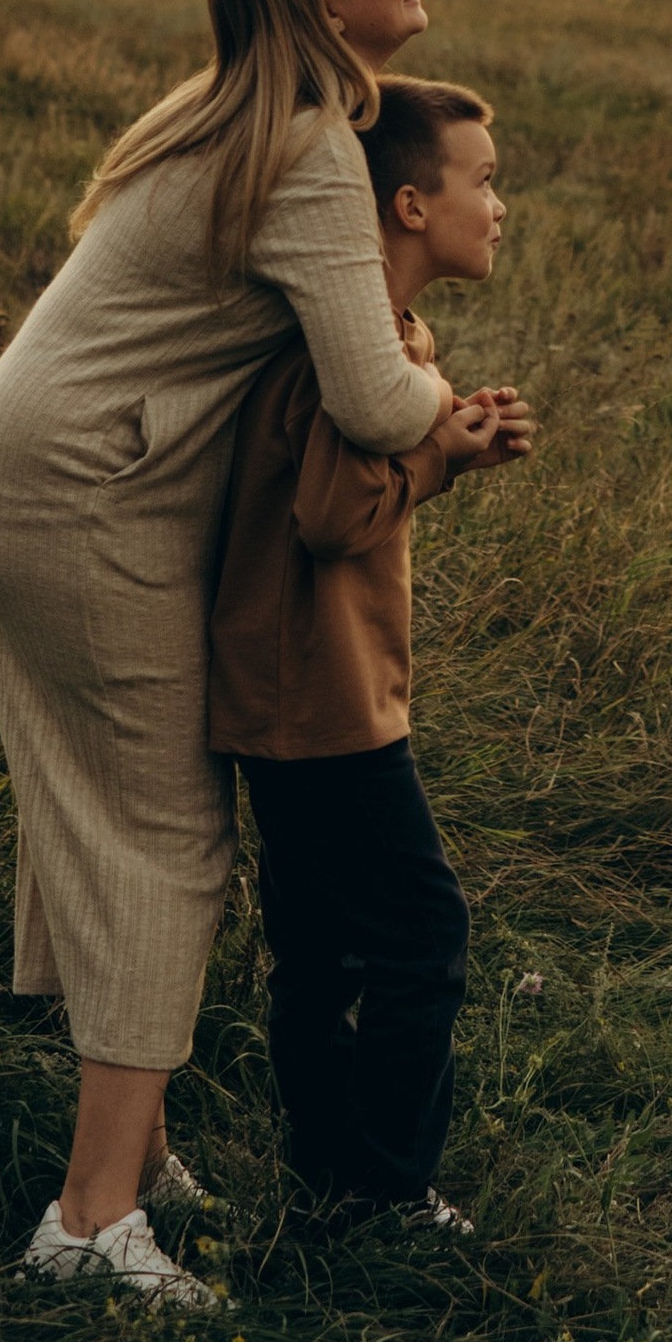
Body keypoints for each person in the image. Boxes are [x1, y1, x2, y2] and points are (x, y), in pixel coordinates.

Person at [0, 0, 450, 1310]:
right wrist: (451, 404)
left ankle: (136, 1152)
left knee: (93, 809)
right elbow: (369, 392)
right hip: (85, 496)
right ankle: (90, 1225)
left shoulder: (224, 115)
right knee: (170, 838)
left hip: (27, 472)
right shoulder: (299, 150)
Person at [211, 79, 532, 1235]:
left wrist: (452, 439)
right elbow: (333, 518)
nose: (498, 205)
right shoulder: (350, 353)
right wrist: (441, 458)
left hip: (300, 687)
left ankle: (327, 1177)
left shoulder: (385, 346)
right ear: (407, 204)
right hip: (322, 704)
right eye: (481, 181)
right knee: (420, 934)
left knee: (320, 950)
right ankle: (384, 1194)